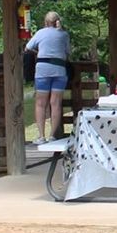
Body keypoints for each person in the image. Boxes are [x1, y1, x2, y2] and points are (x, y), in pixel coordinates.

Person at [25, 11, 72, 142]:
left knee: (41, 103)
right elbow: (68, 53)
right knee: (56, 103)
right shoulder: (64, 35)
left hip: (43, 70)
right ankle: (52, 135)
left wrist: (39, 51)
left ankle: (41, 136)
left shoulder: (40, 33)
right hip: (59, 69)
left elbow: (27, 48)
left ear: (45, 22)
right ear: (58, 21)